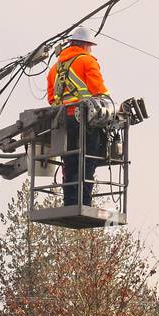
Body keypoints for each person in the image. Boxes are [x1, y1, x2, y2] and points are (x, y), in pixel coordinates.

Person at [46, 26, 110, 207]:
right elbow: (99, 92)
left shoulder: (54, 69)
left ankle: (70, 202)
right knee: (89, 158)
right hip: (84, 119)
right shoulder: (87, 62)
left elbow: (52, 99)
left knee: (70, 160)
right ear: (84, 45)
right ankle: (84, 202)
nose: (90, 50)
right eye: (90, 46)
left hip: (62, 121)